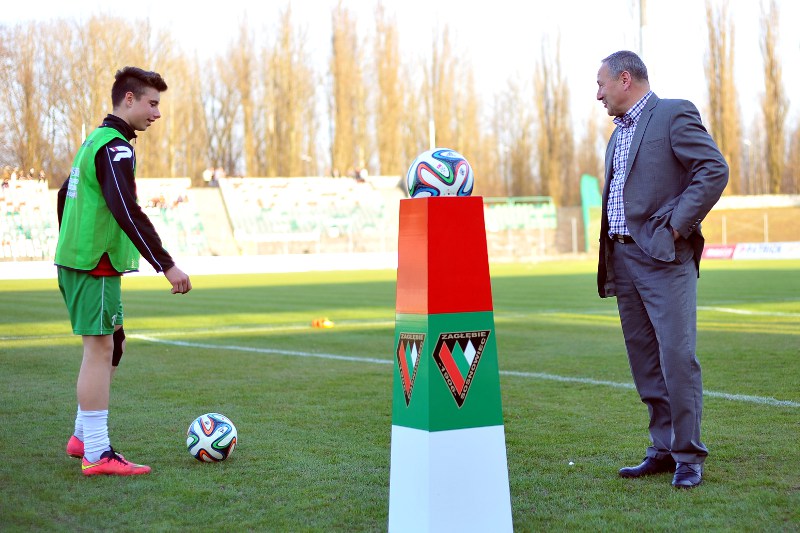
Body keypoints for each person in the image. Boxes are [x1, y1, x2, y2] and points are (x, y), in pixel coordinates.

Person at [595, 51, 728, 489]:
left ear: (625, 79)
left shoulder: (673, 114)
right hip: (623, 259)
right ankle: (664, 448)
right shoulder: (617, 135)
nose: (598, 94)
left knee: (676, 358)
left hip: (664, 257)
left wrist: (675, 226)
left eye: (601, 84)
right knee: (645, 361)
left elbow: (713, 169)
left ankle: (688, 456)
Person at [55, 66, 192, 476]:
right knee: (99, 350)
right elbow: (125, 209)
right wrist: (166, 264)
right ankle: (97, 452)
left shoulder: (94, 140)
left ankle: (82, 436)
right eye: (152, 103)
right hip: (94, 264)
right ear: (128, 99)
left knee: (113, 345)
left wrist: (70, 243)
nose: (157, 113)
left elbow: (64, 195)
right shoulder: (115, 147)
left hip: (84, 259)